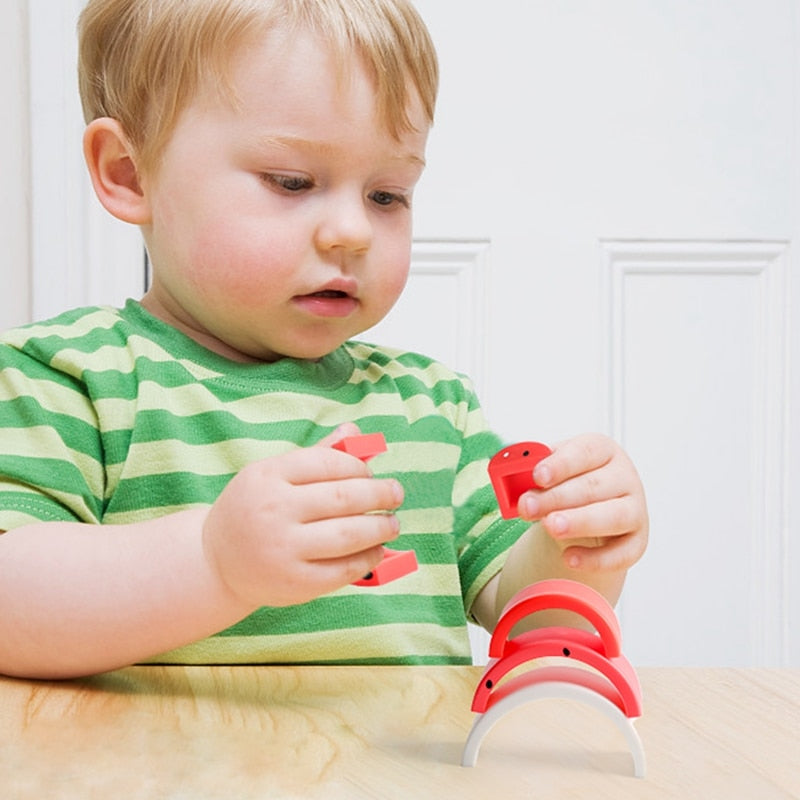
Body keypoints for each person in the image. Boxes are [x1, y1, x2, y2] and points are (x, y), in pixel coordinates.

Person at [0, 0, 648, 679]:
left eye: (388, 194)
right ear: (130, 172)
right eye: (292, 181)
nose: (354, 231)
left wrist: (579, 544)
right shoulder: (66, 380)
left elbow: (532, 615)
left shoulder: (431, 408)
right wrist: (213, 563)